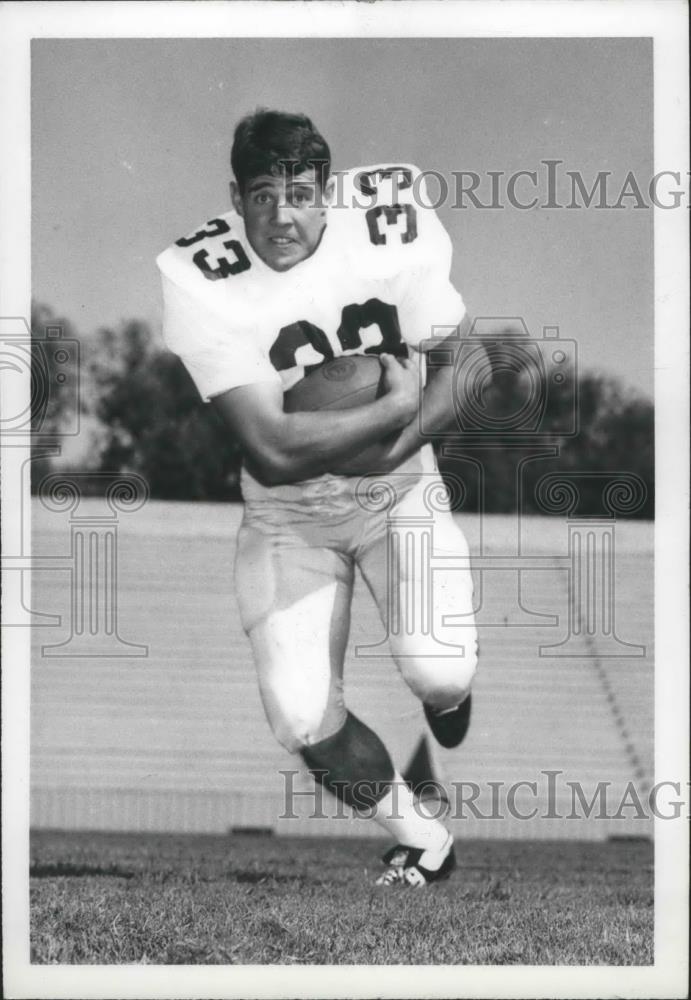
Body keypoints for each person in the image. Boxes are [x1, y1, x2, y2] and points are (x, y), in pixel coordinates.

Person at [157, 109, 481, 887]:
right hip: (288, 514)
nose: (281, 215)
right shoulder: (198, 278)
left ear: (327, 195)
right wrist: (390, 410)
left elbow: (468, 364)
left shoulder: (385, 229)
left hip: (397, 490)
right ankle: (423, 841)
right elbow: (269, 450)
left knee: (438, 672)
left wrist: (397, 447)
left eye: (299, 194)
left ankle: (448, 694)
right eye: (262, 195)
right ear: (234, 199)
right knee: (300, 718)